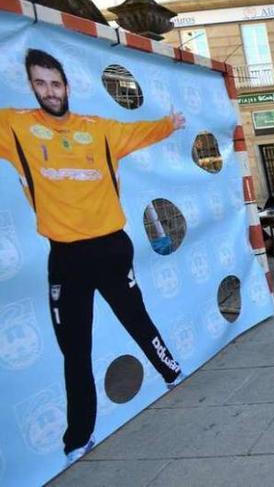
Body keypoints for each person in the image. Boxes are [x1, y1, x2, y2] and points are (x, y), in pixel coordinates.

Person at [0, 49, 186, 463]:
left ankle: (172, 371)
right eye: (40, 84)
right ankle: (77, 438)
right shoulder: (15, 126)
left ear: (66, 86)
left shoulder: (98, 128)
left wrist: (169, 124)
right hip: (65, 257)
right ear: (32, 87)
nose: (49, 91)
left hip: (111, 248)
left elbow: (142, 131)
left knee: (137, 319)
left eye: (55, 83)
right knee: (75, 350)